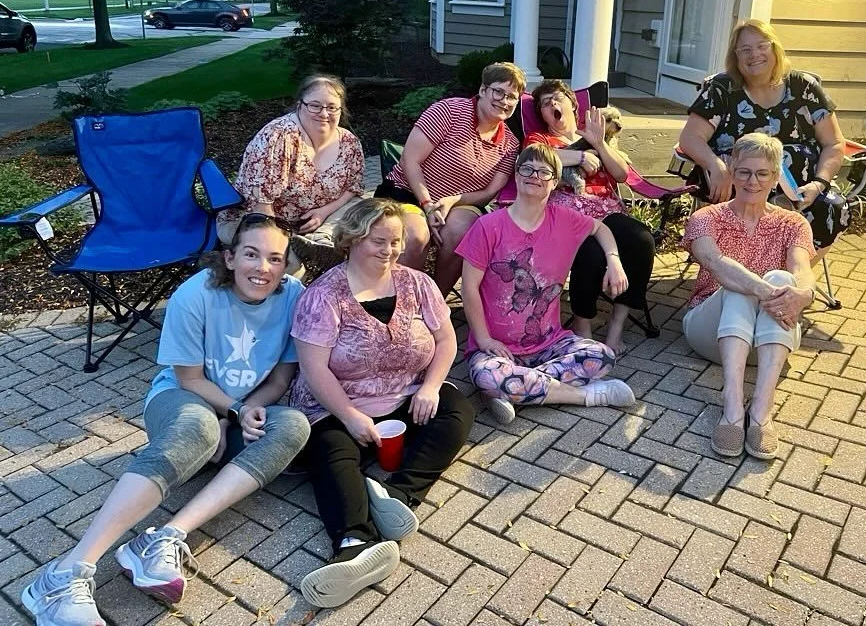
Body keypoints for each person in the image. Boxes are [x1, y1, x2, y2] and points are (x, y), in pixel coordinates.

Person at [22, 214, 310, 626]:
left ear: (285, 265)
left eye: (274, 258)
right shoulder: (196, 295)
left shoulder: (294, 297)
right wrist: (231, 410)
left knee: (293, 425)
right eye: (251, 254)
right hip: (181, 398)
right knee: (199, 428)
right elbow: (187, 378)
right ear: (229, 258)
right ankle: (64, 574)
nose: (262, 268)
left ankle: (162, 539)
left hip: (237, 412)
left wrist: (248, 410)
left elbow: (282, 377)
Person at [289, 198, 473, 609]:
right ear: (351, 239)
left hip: (406, 393)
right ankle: (355, 545)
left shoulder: (417, 283)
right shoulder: (324, 296)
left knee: (456, 410)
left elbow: (446, 341)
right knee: (331, 453)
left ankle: (399, 498)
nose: (389, 250)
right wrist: (351, 415)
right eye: (378, 241)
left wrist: (429, 387)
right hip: (339, 404)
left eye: (395, 241)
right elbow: (315, 370)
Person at [457, 143, 637, 425]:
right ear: (516, 176)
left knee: (601, 355)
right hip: (496, 347)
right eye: (527, 168)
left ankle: (510, 391)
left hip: (549, 343)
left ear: (555, 182)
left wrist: (614, 261)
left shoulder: (564, 220)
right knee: (487, 373)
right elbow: (468, 289)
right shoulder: (488, 226)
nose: (534, 176)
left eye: (544, 172)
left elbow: (601, 228)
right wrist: (484, 339)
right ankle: (588, 396)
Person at [681, 134, 816, 461]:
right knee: (737, 284)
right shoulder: (706, 218)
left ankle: (761, 411)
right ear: (731, 168)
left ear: (775, 177)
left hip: (770, 337)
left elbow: (801, 268)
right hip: (711, 331)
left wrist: (803, 293)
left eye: (762, 173)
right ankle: (731, 409)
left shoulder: (793, 223)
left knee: (783, 278)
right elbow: (714, 262)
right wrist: (765, 291)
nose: (752, 181)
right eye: (743, 172)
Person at [677, 18, 848, 259]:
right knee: (749, 212)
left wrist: (818, 184)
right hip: (742, 186)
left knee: (833, 208)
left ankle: (788, 278)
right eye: (744, 49)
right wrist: (715, 165)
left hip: (801, 190)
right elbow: (690, 138)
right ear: (736, 57)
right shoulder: (723, 88)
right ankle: (754, 278)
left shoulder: (803, 88)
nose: (754, 54)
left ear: (774, 49)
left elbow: (834, 143)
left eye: (761, 46)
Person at [525, 80, 655, 353]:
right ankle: (582, 323)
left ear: (573, 105)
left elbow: (621, 174)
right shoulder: (540, 140)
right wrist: (581, 157)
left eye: (557, 99)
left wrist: (599, 144)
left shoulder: (599, 134)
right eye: (545, 104)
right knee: (591, 252)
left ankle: (616, 325)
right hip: (567, 214)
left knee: (641, 240)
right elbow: (535, 159)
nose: (552, 106)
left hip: (607, 210)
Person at [375, 62, 523, 295]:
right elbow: (409, 160)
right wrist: (427, 205)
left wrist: (453, 200)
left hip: (459, 204)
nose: (504, 100)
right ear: (483, 90)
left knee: (462, 230)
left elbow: (490, 192)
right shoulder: (449, 111)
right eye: (498, 91)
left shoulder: (510, 144)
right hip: (409, 193)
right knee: (414, 237)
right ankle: (398, 303)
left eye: (512, 96)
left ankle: (434, 302)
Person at [218, 74, 365, 272]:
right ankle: (301, 260)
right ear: (299, 105)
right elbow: (262, 208)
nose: (324, 113)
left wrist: (323, 213)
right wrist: (281, 241)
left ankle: (319, 243)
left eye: (331, 107)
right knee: (291, 264)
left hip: (313, 224)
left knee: (360, 211)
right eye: (315, 105)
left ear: (341, 110)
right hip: (255, 221)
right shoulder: (279, 137)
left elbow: (353, 189)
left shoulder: (349, 143)